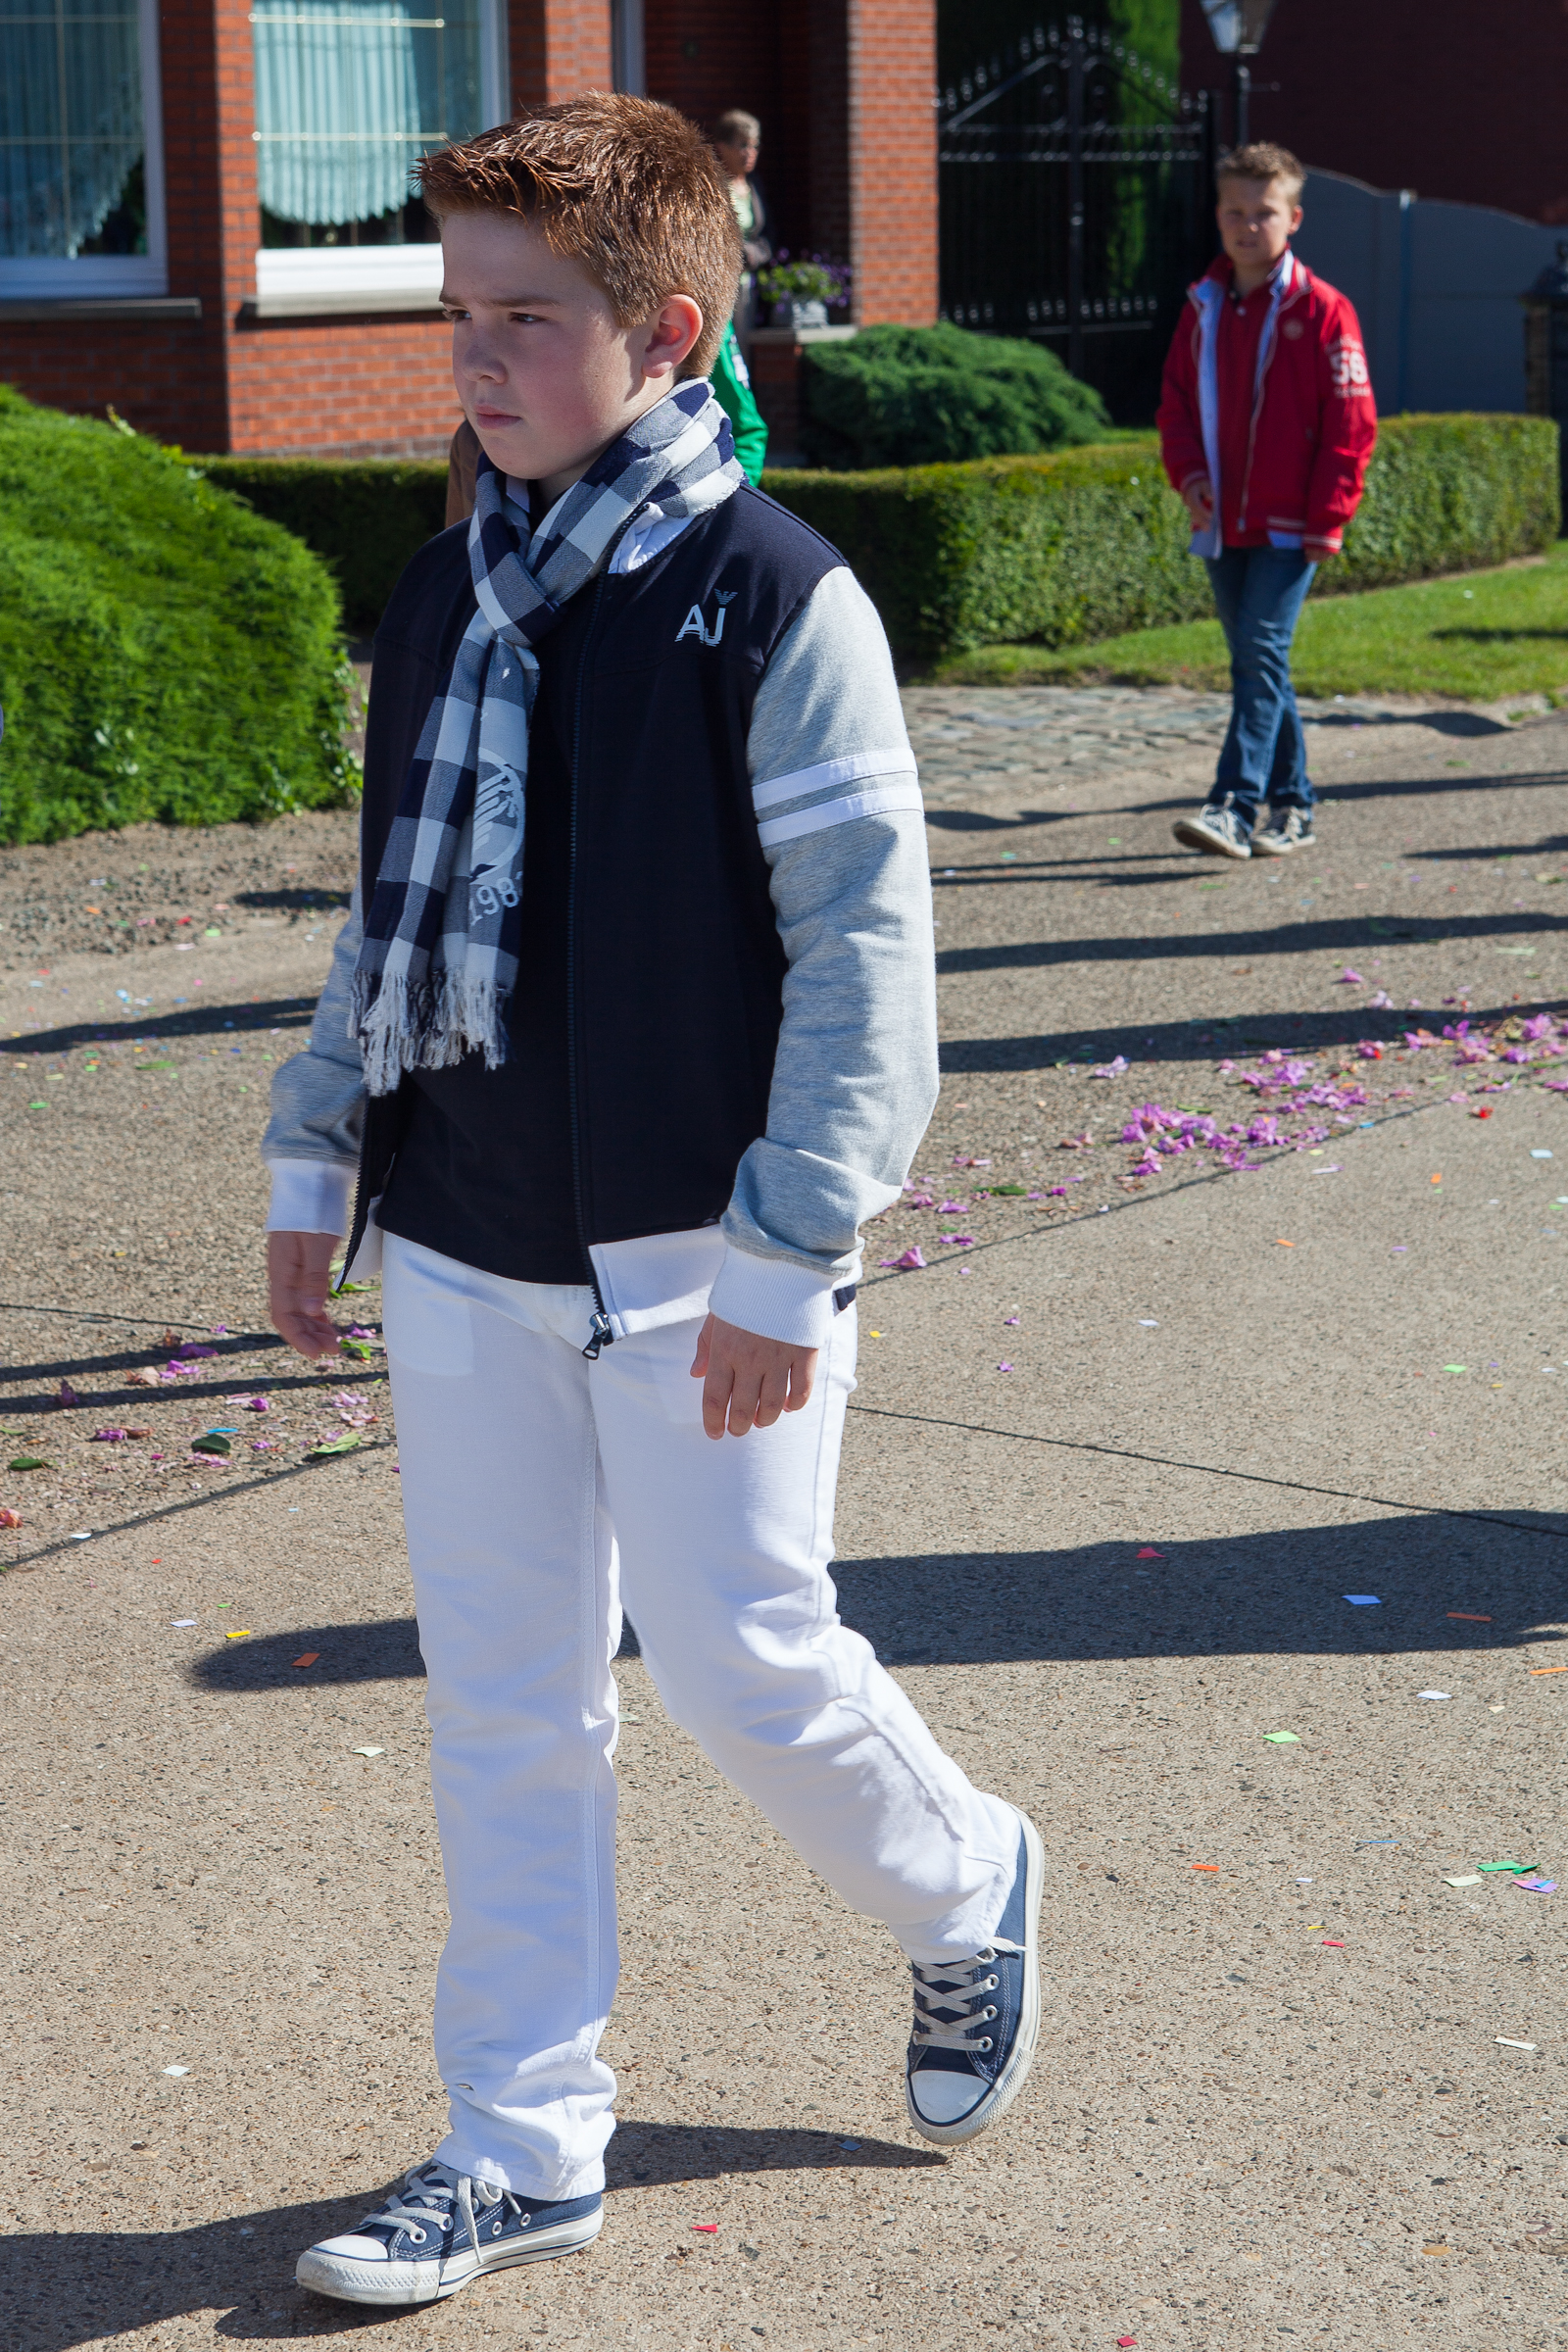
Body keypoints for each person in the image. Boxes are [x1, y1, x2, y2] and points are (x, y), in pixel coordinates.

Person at [265, 93, 1042, 2310]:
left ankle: (966, 1880)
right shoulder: (447, 589)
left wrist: (793, 1246)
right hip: (466, 1236)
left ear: (668, 331)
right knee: (507, 1699)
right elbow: (384, 912)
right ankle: (521, 2145)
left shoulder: (775, 598)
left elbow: (867, 961)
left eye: (523, 318)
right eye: (460, 313)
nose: (473, 357)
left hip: (709, 1252)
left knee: (743, 1658)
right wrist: (317, 1149)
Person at [1157, 142, 1377, 859]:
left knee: (1257, 655)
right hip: (1223, 523)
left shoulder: (1324, 310)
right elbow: (1176, 402)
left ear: (1294, 218)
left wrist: (1329, 519)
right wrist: (1189, 473)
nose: (1248, 226)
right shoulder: (1203, 305)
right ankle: (1296, 805)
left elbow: (1351, 423)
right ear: (1217, 216)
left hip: (1291, 525)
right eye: (1234, 212)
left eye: (1264, 212)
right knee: (1260, 665)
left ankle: (1232, 806)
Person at [445, 315, 764, 521]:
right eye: (461, 314)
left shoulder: (700, 327)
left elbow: (746, 430)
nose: (475, 365)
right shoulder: (473, 445)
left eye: (527, 317)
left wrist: (715, 511)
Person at [710, 107, 769, 343]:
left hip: (746, 284)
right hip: (719, 285)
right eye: (743, 145)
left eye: (754, 146)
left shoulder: (754, 186)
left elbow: (766, 234)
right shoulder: (713, 186)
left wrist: (756, 254)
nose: (750, 153)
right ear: (722, 147)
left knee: (743, 348)